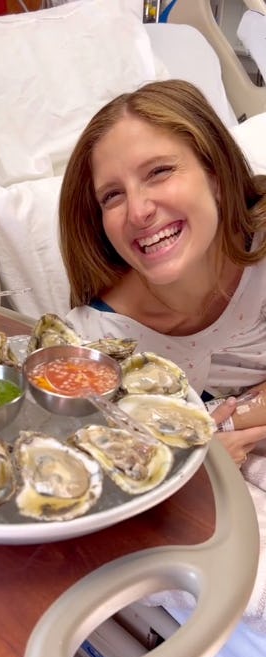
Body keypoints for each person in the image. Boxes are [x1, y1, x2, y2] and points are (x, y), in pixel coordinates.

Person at [59, 79, 266, 468]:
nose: (138, 211)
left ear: (216, 175)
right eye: (112, 195)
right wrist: (186, 462)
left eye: (159, 172)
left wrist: (205, 433)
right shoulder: (96, 340)